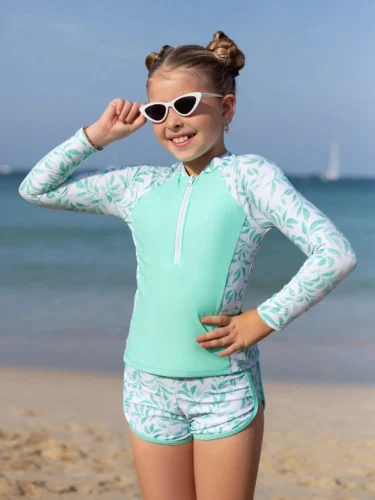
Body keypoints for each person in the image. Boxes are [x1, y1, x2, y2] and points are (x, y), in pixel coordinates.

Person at [19, 31, 357, 500]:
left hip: (223, 387)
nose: (172, 122)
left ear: (228, 108)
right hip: (145, 384)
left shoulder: (251, 178)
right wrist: (97, 137)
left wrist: (262, 319)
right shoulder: (136, 186)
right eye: (158, 111)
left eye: (187, 105)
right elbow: (37, 188)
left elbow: (335, 253)